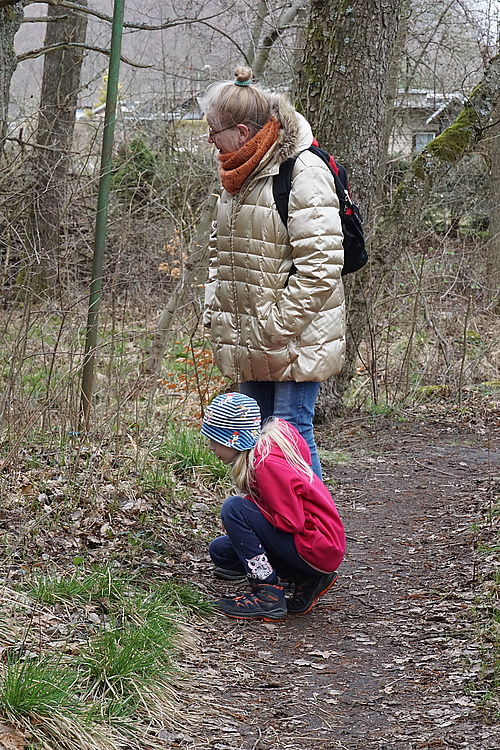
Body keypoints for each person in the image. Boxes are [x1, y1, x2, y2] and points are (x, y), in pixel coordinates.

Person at [200, 66, 345, 481]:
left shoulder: (303, 172)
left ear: (243, 132)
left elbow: (321, 267)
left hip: (294, 336)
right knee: (252, 440)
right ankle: (271, 535)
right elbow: (219, 252)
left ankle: (315, 539)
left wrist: (277, 325)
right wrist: (215, 308)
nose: (210, 139)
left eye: (215, 130)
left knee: (290, 435)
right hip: (252, 335)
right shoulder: (236, 174)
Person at [200, 392, 346, 621]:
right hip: (319, 546)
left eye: (214, 440)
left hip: (316, 546)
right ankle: (306, 578)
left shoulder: (265, 464)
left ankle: (266, 593)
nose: (210, 447)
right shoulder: (267, 451)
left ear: (232, 439)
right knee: (222, 551)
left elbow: (292, 521)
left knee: (234, 508)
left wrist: (248, 513)